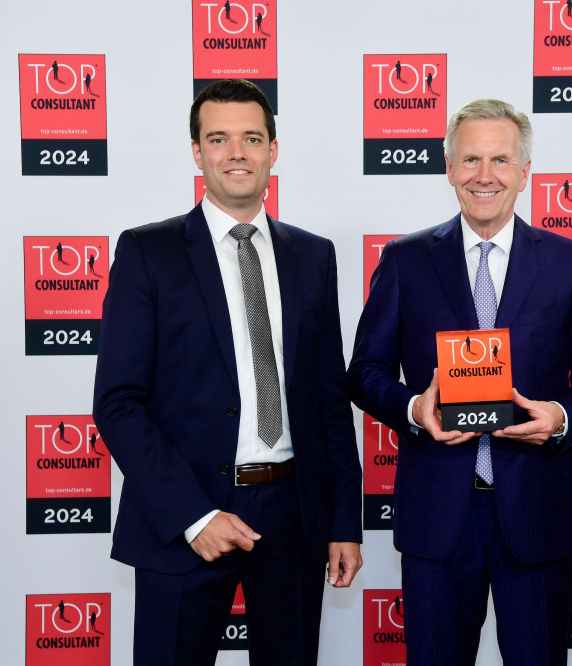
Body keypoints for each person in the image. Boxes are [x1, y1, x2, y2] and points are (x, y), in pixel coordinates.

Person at [93, 79, 362, 665]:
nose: (235, 152)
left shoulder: (313, 255)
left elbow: (327, 399)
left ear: (271, 149)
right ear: (197, 152)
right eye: (218, 139)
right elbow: (117, 402)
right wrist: (194, 516)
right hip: (184, 517)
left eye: (251, 138)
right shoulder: (147, 251)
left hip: (293, 515)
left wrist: (344, 519)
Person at [348, 98, 572, 666]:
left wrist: (562, 418)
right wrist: (412, 408)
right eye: (470, 159)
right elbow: (365, 372)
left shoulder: (570, 262)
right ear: (448, 167)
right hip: (438, 517)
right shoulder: (404, 261)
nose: (485, 175)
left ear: (525, 172)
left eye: (500, 159)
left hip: (537, 513)